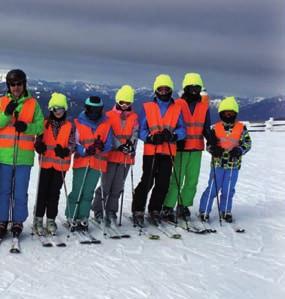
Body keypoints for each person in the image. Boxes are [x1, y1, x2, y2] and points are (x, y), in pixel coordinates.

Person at [131, 74, 186, 226]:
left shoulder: (177, 108)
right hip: (151, 151)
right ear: (156, 91)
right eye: (160, 89)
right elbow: (140, 129)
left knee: (163, 183)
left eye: (166, 89)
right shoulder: (148, 107)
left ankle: (155, 209)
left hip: (168, 151)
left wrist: (174, 136)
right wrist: (149, 137)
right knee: (147, 181)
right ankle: (138, 209)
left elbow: (183, 130)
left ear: (170, 90)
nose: (163, 92)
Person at [162, 73, 212, 222]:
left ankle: (183, 205)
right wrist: (177, 138)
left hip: (196, 148)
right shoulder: (177, 104)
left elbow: (206, 127)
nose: (195, 90)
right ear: (186, 88)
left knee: (192, 180)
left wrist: (211, 141)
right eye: (192, 87)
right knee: (176, 179)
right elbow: (173, 124)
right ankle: (168, 207)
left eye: (197, 87)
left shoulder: (204, 107)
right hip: (181, 148)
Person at [0, 69, 44, 238]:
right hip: (3, 156)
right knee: (3, 191)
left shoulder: (32, 104)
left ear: (24, 84)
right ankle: (2, 220)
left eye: (19, 84)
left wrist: (27, 127)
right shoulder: (2, 102)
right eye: (12, 84)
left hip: (24, 158)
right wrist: (6, 115)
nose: (16, 87)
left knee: (20, 191)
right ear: (8, 86)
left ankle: (17, 221)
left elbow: (40, 126)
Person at [198, 96, 252, 222]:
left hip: (233, 165)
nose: (228, 115)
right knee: (212, 188)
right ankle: (204, 210)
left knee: (228, 189)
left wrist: (239, 150)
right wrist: (213, 149)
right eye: (226, 113)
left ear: (235, 114)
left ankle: (225, 211)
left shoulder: (241, 128)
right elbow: (209, 144)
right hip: (218, 164)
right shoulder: (215, 128)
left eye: (231, 113)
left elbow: (247, 143)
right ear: (221, 113)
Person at [65, 96, 113, 231]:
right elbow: (75, 143)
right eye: (92, 109)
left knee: (88, 192)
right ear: (87, 109)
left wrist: (102, 146)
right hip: (82, 162)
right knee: (78, 190)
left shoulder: (106, 124)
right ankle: (72, 215)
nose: (95, 112)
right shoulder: (78, 123)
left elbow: (109, 144)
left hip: (97, 163)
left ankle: (83, 216)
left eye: (97, 110)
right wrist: (85, 150)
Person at [93, 85, 138, 224]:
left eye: (128, 103)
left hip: (125, 158)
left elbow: (135, 133)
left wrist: (131, 146)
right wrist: (119, 145)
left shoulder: (134, 116)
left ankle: (111, 210)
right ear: (117, 101)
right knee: (106, 185)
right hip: (111, 156)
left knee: (118, 186)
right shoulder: (109, 116)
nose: (124, 106)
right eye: (122, 102)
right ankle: (98, 209)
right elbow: (108, 133)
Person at [33, 93, 75, 235]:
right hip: (45, 164)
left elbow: (73, 143)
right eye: (56, 109)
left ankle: (50, 219)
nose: (58, 112)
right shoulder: (44, 124)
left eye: (61, 109)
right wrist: (38, 146)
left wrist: (66, 150)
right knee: (42, 192)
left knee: (54, 193)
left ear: (65, 110)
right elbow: (38, 138)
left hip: (60, 166)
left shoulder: (70, 126)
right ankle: (38, 219)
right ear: (51, 109)